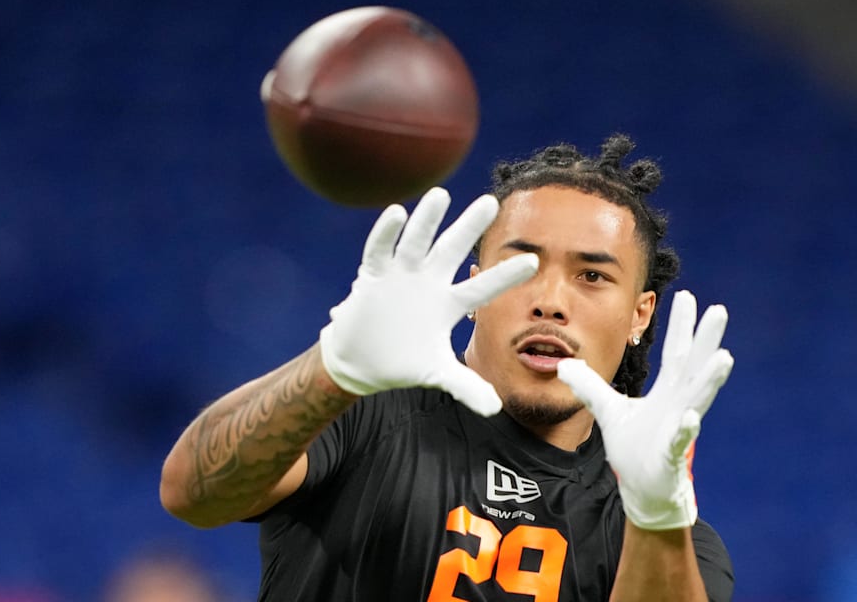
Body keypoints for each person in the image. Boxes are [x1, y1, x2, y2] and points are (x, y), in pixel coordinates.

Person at [160, 135, 736, 601]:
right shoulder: (361, 413)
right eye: (524, 263)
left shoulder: (663, 533)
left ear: (640, 315)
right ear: (472, 281)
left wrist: (655, 515)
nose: (551, 301)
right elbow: (191, 492)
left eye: (592, 276)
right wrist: (332, 368)